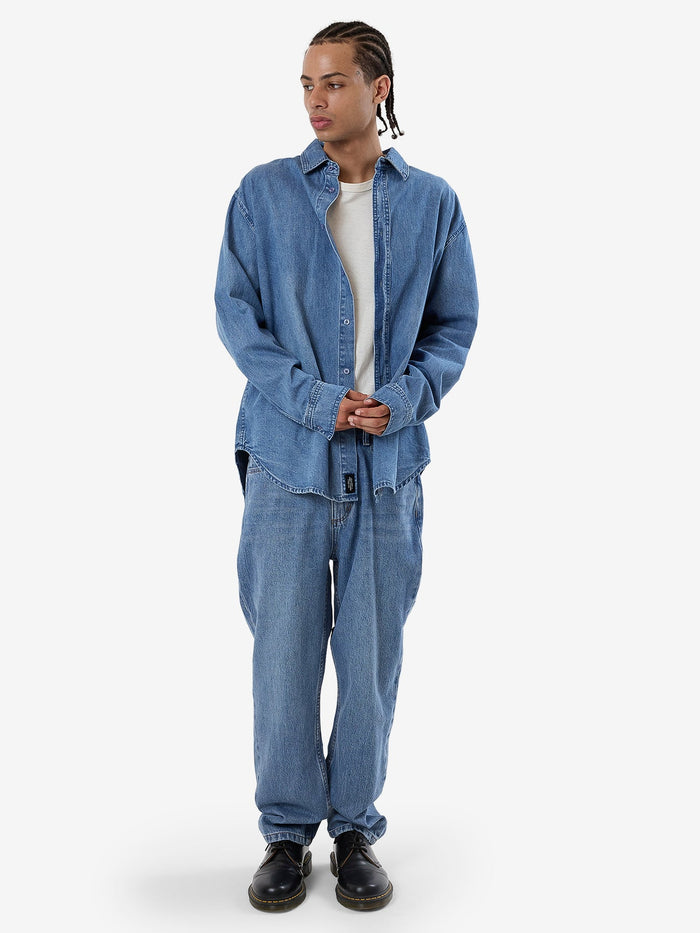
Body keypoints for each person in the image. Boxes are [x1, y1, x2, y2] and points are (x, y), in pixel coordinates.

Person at [214, 20, 478, 912]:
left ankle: (356, 828)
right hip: (287, 462)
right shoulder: (263, 195)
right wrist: (315, 400)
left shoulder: (433, 203)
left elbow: (454, 326)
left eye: (332, 83)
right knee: (283, 658)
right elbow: (238, 319)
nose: (315, 101)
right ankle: (287, 834)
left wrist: (403, 398)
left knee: (370, 661)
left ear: (379, 88)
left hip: (387, 468)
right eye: (305, 84)